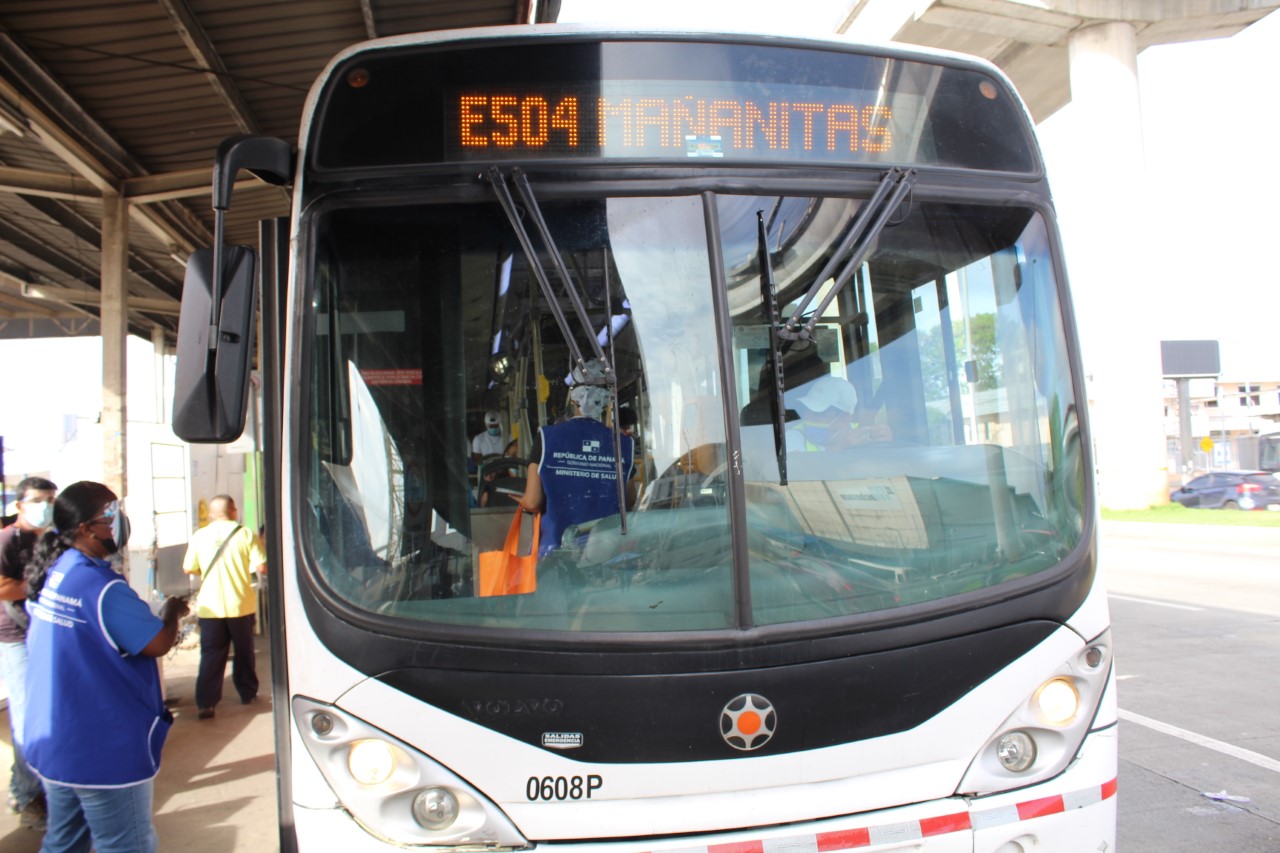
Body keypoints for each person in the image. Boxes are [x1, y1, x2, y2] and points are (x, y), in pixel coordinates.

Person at [22, 481, 189, 853]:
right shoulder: (102, 586)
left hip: (57, 740)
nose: (120, 521)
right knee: (127, 844)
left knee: (65, 842)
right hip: (100, 748)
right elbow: (157, 643)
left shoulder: (59, 569)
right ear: (85, 529)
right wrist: (172, 613)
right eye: (111, 515)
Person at [518, 360, 634, 557]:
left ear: (573, 399)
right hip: (607, 555)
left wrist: (521, 502)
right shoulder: (623, 444)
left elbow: (532, 502)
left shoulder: (546, 437)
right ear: (607, 401)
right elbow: (629, 500)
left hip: (555, 556)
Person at [0, 476, 56, 830]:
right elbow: (3, 586)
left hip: (41, 633)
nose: (45, 506)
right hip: (14, 637)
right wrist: (37, 586)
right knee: (25, 717)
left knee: (44, 712)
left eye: (50, 500)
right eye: (38, 500)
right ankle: (27, 794)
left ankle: (30, 783)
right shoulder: (7, 540)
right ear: (20, 505)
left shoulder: (48, 540)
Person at [182, 495, 266, 719]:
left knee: (211, 654)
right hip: (240, 605)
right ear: (233, 511)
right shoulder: (245, 534)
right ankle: (247, 693)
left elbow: (188, 568)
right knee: (244, 652)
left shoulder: (200, 536)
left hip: (210, 607)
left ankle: (206, 703)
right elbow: (262, 566)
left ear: (211, 515)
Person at [785, 374, 891, 452]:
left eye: (818, 413)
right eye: (807, 409)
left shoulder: (863, 434)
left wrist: (884, 443)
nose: (808, 417)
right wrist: (840, 447)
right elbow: (801, 471)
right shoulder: (793, 437)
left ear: (845, 417)